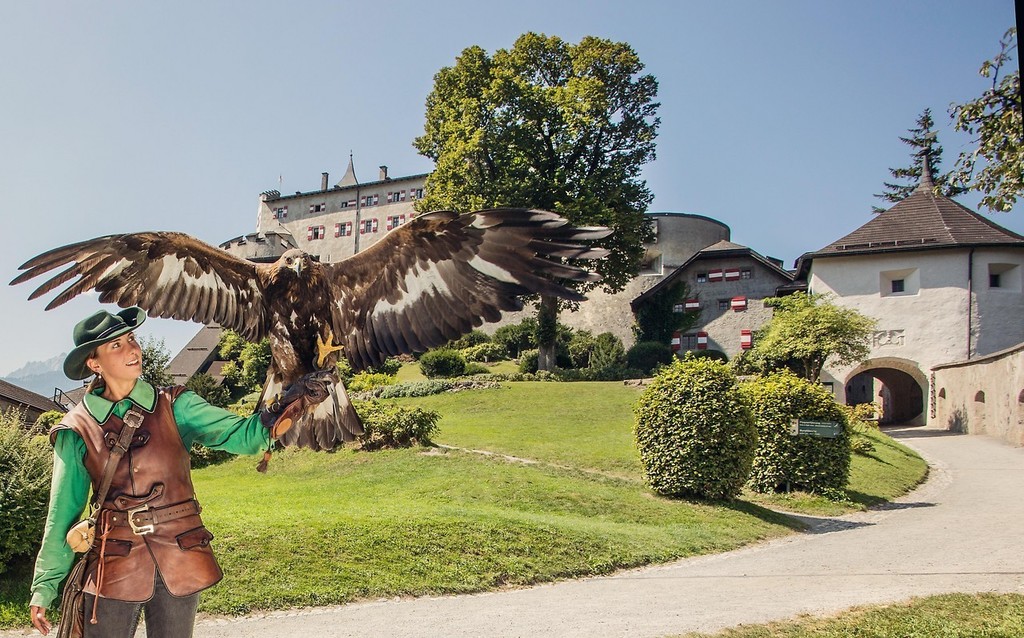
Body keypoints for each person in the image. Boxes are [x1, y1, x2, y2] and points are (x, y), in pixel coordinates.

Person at [29, 307, 315, 637]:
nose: (132, 350)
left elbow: (244, 436)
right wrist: (44, 587)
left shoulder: (176, 405)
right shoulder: (77, 429)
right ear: (94, 363)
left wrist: (290, 405)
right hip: (112, 561)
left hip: (181, 553)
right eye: (116, 345)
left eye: (131, 339)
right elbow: (62, 512)